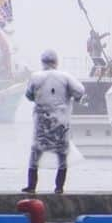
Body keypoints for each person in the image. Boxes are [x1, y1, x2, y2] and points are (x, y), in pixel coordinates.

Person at [22, 49, 85, 194]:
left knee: (35, 153)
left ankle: (31, 186)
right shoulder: (65, 77)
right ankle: (59, 187)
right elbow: (80, 91)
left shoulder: (35, 77)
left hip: (42, 122)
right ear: (56, 62)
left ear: (42, 62)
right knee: (62, 155)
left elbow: (29, 95)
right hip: (60, 122)